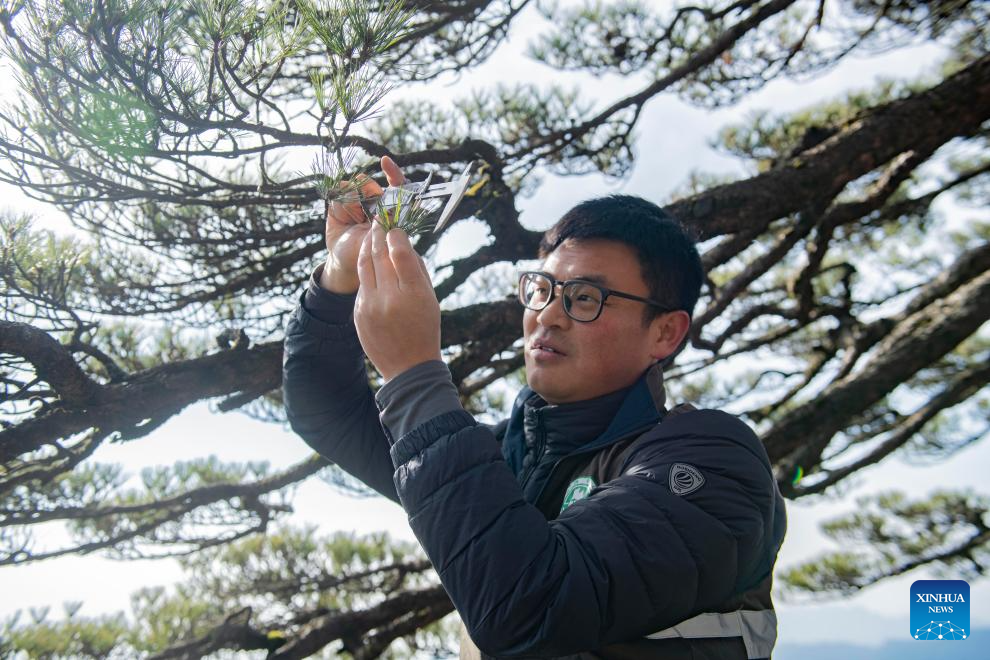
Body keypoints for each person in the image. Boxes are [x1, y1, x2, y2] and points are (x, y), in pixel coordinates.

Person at [283, 156, 787, 660]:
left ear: (666, 332)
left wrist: (415, 379)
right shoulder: (506, 457)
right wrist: (338, 275)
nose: (548, 314)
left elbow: (535, 607)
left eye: (586, 297)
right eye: (542, 289)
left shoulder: (716, 462)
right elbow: (327, 413)